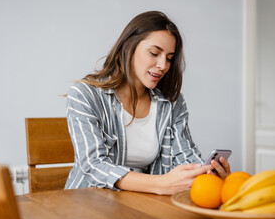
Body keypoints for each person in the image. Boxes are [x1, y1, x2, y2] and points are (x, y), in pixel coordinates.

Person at [64, 11, 231, 195]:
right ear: (129, 46)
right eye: (154, 53)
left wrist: (205, 172)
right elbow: (94, 164)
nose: (163, 65)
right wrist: (162, 184)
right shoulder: (85, 95)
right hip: (89, 204)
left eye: (169, 58)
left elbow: (185, 156)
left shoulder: (172, 104)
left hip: (144, 206)